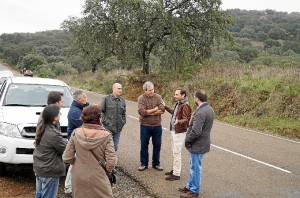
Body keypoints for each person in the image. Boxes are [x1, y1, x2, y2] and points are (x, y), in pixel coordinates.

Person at [63, 104, 117, 198]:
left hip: (79, 175)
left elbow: (67, 158)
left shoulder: (76, 133)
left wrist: (78, 163)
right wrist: (106, 168)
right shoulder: (106, 135)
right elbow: (111, 163)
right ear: (99, 117)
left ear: (83, 117)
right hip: (99, 176)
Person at [179, 90, 214, 198]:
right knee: (193, 166)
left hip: (198, 144)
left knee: (195, 168)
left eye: (194, 97)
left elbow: (196, 131)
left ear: (197, 99)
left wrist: (187, 140)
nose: (194, 99)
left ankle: (194, 191)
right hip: (203, 143)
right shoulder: (209, 109)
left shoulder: (201, 112)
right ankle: (190, 186)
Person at [33, 104, 67, 198]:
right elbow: (66, 149)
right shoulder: (53, 134)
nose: (60, 114)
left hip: (40, 168)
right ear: (55, 117)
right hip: (49, 172)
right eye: (59, 113)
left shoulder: (41, 127)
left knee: (39, 195)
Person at [163, 89, 191, 181]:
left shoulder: (185, 105)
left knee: (177, 152)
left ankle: (176, 174)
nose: (174, 96)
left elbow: (186, 119)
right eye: (174, 94)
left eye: (176, 94)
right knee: (175, 152)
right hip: (174, 130)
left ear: (183, 95)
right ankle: (175, 170)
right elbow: (174, 112)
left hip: (179, 132)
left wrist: (179, 122)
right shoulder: (179, 103)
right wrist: (165, 106)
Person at [137, 81, 165, 171]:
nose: (151, 91)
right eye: (149, 90)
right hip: (145, 126)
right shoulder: (141, 99)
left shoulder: (158, 97)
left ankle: (156, 163)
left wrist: (149, 112)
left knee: (157, 145)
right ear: (145, 90)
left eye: (152, 89)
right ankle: (144, 164)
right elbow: (142, 112)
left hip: (157, 125)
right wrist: (155, 109)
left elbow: (162, 110)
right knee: (144, 145)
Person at [65, 90, 88, 195]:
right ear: (78, 99)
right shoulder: (75, 112)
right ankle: (68, 188)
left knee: (78, 164)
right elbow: (84, 125)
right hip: (75, 142)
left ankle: (75, 186)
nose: (86, 98)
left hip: (78, 140)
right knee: (73, 164)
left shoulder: (79, 108)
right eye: (84, 97)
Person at [100, 83, 126, 151]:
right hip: (108, 127)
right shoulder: (106, 99)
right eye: (119, 88)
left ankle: (112, 160)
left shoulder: (122, 100)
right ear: (113, 89)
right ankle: (105, 159)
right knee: (106, 146)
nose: (120, 90)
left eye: (121, 88)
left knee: (115, 147)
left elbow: (123, 113)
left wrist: (123, 122)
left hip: (118, 128)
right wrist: (105, 122)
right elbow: (100, 111)